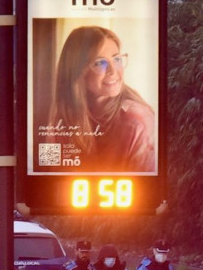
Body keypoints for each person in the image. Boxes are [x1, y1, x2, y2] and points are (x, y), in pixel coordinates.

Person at [49, 26, 156, 173]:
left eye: (116, 59)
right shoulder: (59, 123)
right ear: (77, 70)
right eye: (100, 62)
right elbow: (49, 176)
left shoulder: (137, 121)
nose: (113, 71)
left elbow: (145, 188)